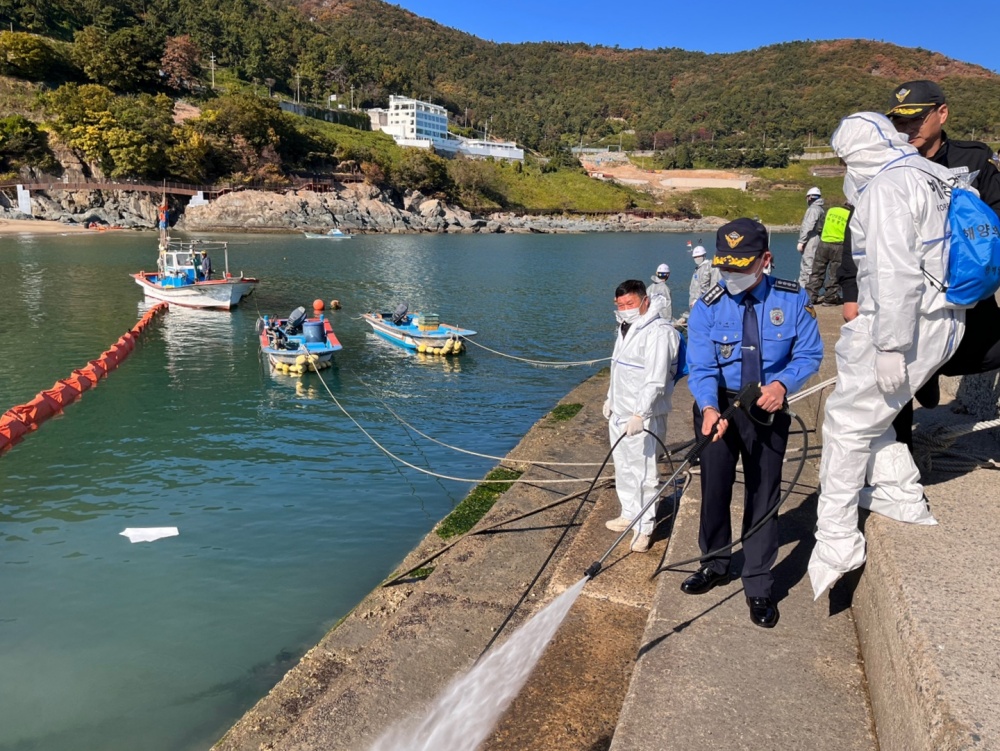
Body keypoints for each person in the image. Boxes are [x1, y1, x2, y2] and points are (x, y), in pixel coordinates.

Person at [808, 112, 966, 600]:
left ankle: (835, 543)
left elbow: (896, 272)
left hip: (903, 323)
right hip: (946, 316)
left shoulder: (886, 189)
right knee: (878, 414)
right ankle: (899, 492)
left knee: (846, 424)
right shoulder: (937, 176)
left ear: (857, 155)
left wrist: (890, 345)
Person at [838, 81, 1000, 514]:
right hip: (905, 299)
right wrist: (851, 292)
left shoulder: (975, 160)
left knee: (990, 354)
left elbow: (994, 224)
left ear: (942, 114)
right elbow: (861, 235)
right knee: (892, 384)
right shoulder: (882, 165)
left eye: (916, 117)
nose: (907, 126)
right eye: (899, 119)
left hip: (965, 299)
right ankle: (903, 464)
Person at [684, 218, 823, 628]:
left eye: (741, 267)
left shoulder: (793, 299)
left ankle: (759, 583)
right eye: (725, 267)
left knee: (764, 494)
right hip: (720, 407)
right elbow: (701, 366)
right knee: (714, 489)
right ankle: (715, 562)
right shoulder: (707, 305)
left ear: (765, 259)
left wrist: (782, 385)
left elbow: (809, 354)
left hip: (768, 406)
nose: (732, 276)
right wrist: (709, 408)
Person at [603, 280, 681, 553]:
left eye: (630, 304)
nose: (625, 310)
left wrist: (640, 413)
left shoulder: (658, 332)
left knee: (645, 472)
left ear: (644, 301)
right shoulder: (625, 328)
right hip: (620, 411)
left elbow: (655, 380)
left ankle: (644, 527)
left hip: (644, 415)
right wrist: (610, 398)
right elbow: (619, 367)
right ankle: (628, 512)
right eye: (621, 305)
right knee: (623, 466)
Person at [805, 203, 849, 306]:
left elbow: (819, 227)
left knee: (816, 272)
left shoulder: (831, 210)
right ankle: (830, 298)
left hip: (824, 243)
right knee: (834, 274)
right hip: (839, 245)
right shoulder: (850, 215)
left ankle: (810, 297)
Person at [679, 245, 720, 323]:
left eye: (699, 256)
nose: (697, 258)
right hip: (695, 303)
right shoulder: (699, 268)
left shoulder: (707, 267)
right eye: (695, 257)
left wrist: (697, 300)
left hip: (701, 303)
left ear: (704, 255)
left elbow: (705, 287)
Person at [796, 187, 826, 287]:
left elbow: (808, 226)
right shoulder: (821, 209)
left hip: (811, 239)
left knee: (808, 265)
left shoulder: (813, 209)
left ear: (810, 197)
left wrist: (801, 241)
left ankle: (806, 291)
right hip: (816, 238)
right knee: (809, 264)